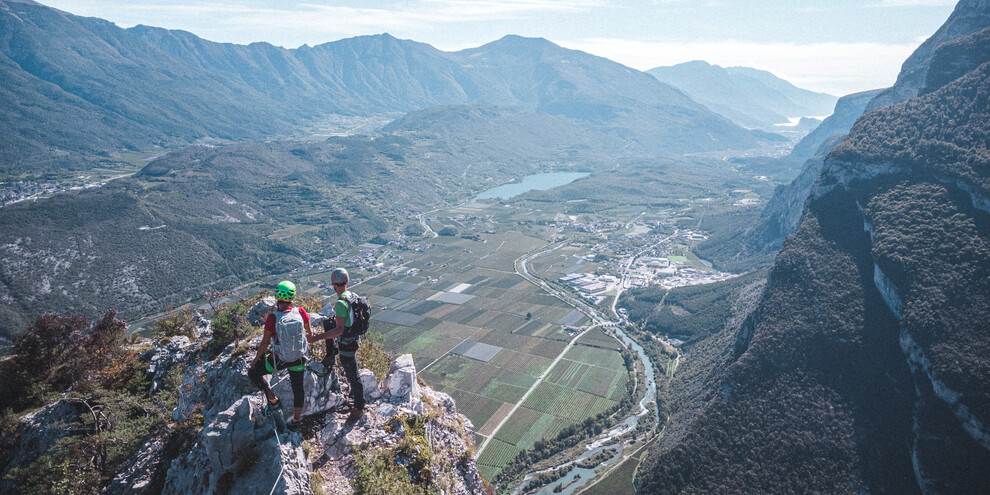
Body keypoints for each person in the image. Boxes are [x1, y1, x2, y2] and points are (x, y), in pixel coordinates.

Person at [248, 280, 316, 432]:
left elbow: (265, 342)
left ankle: (273, 400)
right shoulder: (301, 312)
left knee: (253, 372)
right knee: (298, 389)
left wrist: (256, 360)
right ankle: (296, 421)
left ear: (277, 296)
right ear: (292, 296)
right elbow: (310, 335)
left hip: (279, 361)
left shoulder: (273, 318)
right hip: (298, 358)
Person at [320, 267, 365, 412]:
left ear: (334, 284)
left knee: (352, 374)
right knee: (329, 323)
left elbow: (339, 330)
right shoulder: (352, 295)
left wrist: (317, 337)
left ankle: (359, 405)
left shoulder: (340, 303)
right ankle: (330, 356)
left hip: (347, 343)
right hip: (353, 338)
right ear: (346, 281)